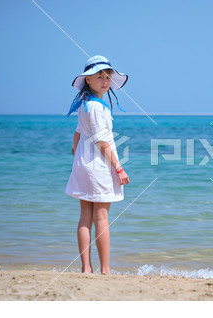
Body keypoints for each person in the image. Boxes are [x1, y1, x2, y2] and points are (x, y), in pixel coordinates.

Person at [65, 55, 130, 274]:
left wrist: (78, 157)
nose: (104, 80)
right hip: (99, 166)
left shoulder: (85, 105)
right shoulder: (96, 107)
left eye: (107, 76)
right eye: (98, 76)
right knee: (101, 216)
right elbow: (103, 141)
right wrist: (118, 168)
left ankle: (86, 268)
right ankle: (105, 269)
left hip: (84, 164)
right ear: (88, 81)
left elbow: (77, 135)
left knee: (85, 215)